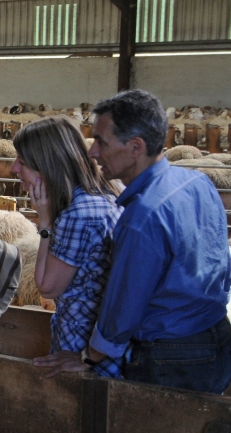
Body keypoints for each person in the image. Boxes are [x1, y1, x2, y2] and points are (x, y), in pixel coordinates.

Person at [34, 89, 231, 393]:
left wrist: (89, 357)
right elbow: (221, 260)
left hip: (169, 356)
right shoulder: (198, 183)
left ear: (135, 147)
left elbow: (123, 306)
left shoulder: (142, 216)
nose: (92, 152)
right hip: (217, 336)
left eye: (101, 142)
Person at [11, 116, 123, 378]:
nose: (15, 168)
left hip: (81, 349)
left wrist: (46, 221)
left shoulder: (77, 214)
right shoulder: (105, 195)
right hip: (101, 349)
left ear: (47, 167)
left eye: (24, 163)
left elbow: (47, 287)